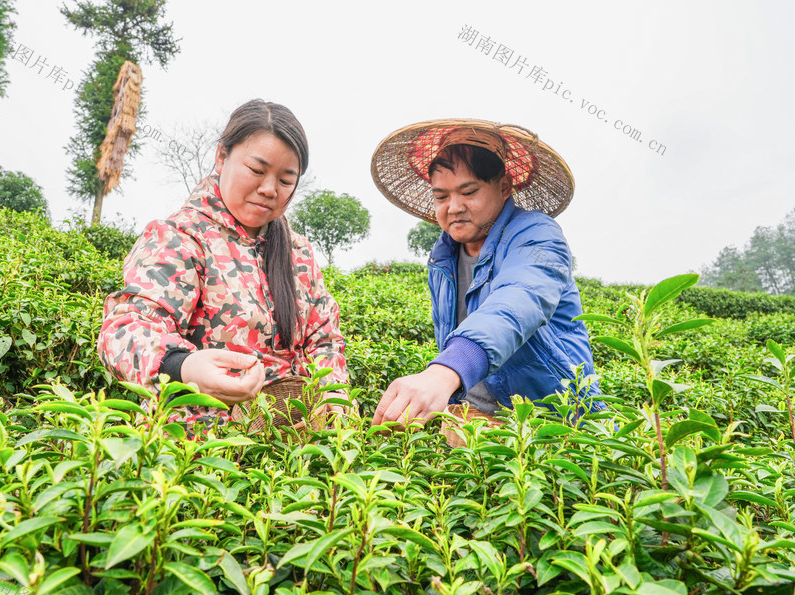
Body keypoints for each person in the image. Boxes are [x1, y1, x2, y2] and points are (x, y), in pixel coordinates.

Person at [97, 99, 349, 426]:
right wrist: (182, 366)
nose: (269, 189)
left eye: (286, 180)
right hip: (207, 449)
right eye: (256, 170)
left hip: (298, 450)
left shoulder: (298, 252)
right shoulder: (180, 237)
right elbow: (126, 327)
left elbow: (324, 338)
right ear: (222, 155)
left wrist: (332, 394)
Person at [369, 119, 601, 426]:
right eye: (441, 197)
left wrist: (444, 372)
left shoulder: (538, 237)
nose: (453, 207)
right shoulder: (443, 257)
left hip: (553, 423)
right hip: (474, 422)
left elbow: (514, 305)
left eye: (469, 192)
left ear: (504, 187)